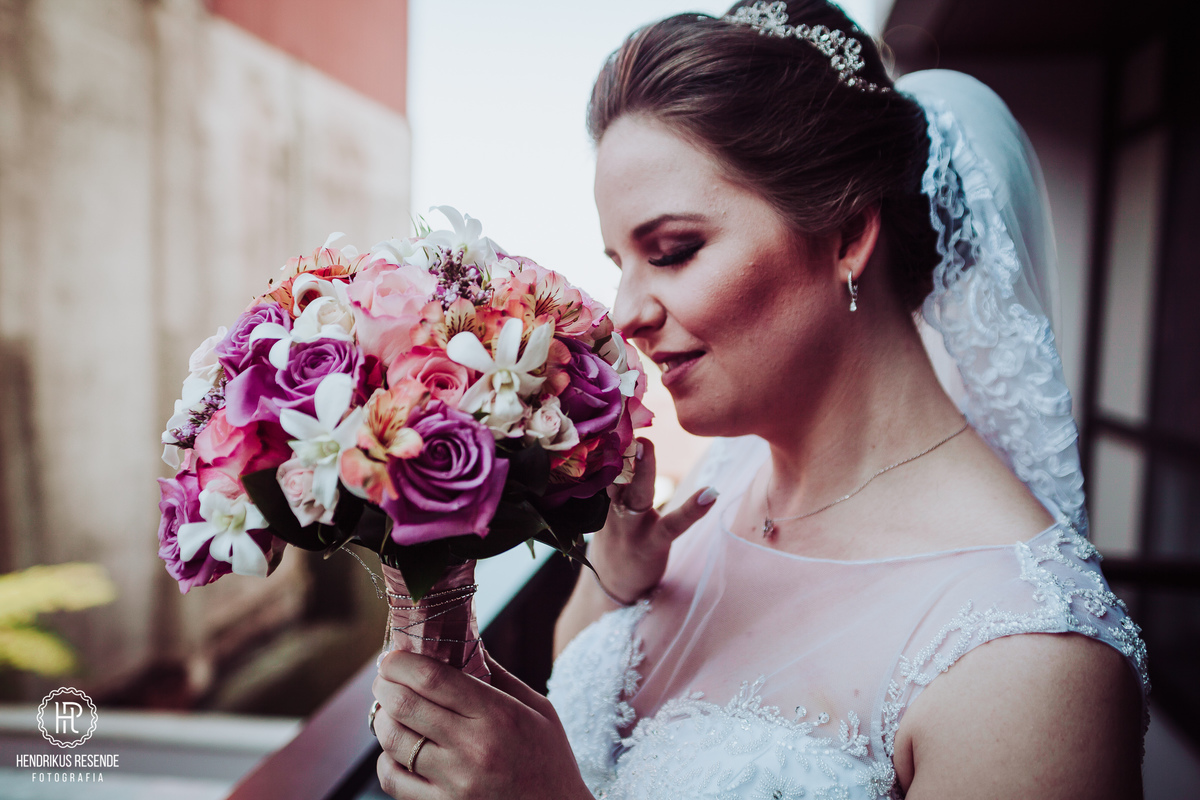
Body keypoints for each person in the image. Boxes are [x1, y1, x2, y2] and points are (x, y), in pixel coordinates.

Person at [367, 2, 1149, 798]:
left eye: (671, 252)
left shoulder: (1030, 658)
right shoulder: (720, 487)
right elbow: (584, 700)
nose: (624, 311)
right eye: (621, 261)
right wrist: (609, 578)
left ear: (847, 234)